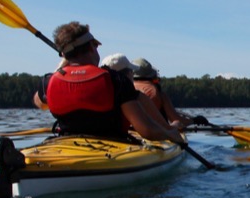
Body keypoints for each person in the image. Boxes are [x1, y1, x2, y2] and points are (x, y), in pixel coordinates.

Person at [31, 23, 179, 143]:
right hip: (114, 148)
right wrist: (170, 133)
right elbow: (148, 130)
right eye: (95, 45)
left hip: (66, 145)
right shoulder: (115, 80)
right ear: (90, 47)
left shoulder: (48, 81)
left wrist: (64, 65)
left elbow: (40, 102)